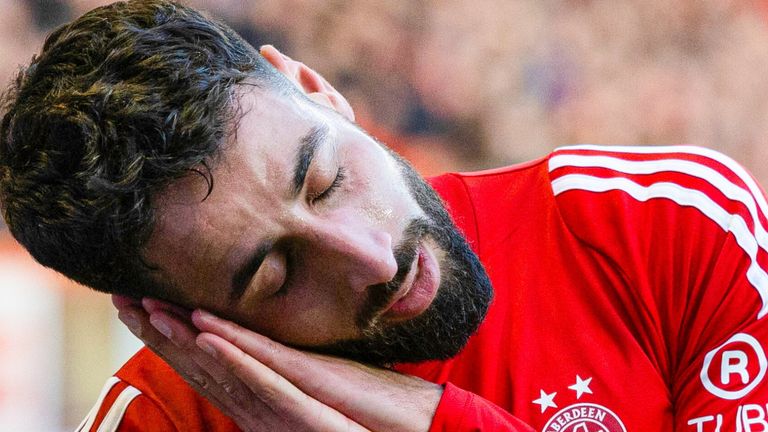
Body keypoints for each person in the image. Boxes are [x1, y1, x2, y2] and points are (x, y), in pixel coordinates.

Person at [2, 1, 767, 431]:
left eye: (327, 179)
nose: (372, 258)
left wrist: (433, 421)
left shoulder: (661, 224)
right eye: (276, 274)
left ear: (315, 87)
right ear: (175, 315)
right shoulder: (158, 423)